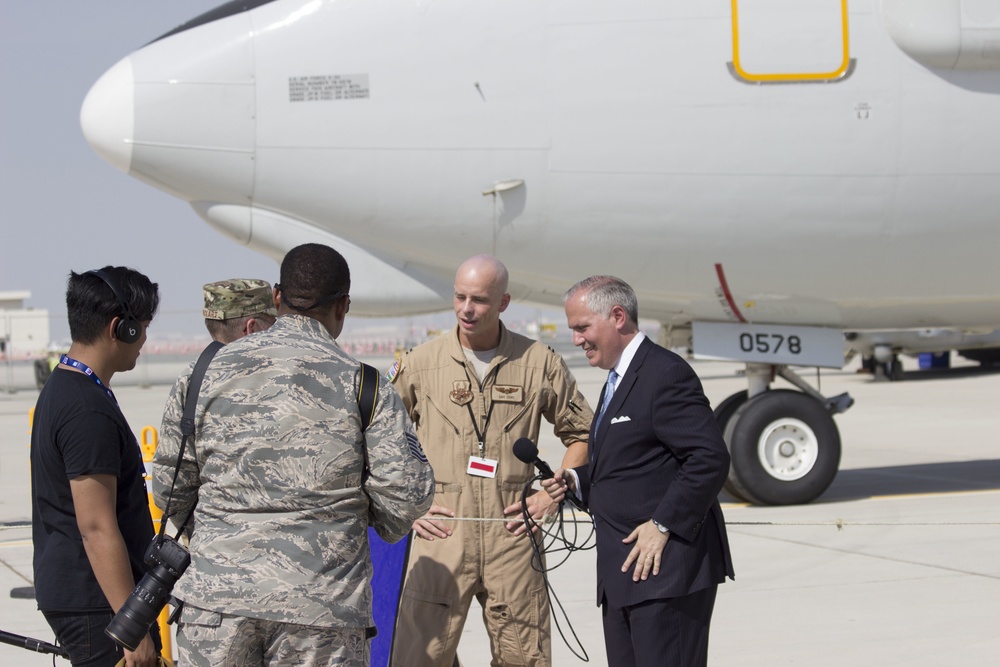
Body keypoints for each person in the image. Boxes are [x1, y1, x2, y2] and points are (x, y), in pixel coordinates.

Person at [152, 243, 434, 667]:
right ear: (344, 306)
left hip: (216, 606)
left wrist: (219, 532)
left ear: (278, 299)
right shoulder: (367, 388)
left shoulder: (202, 376)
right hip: (322, 611)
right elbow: (406, 494)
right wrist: (352, 523)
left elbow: (169, 490)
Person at [388, 254, 594, 667]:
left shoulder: (539, 363)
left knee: (525, 658)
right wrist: (409, 504)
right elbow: (382, 441)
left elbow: (584, 434)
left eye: (480, 300)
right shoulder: (419, 364)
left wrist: (553, 495)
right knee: (419, 657)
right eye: (460, 297)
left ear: (503, 302)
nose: (467, 309)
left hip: (514, 535)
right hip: (441, 535)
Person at [543, 275, 735, 667]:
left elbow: (709, 458)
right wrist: (574, 481)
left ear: (617, 316)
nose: (577, 340)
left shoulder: (664, 373)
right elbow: (626, 465)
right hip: (625, 578)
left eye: (582, 328)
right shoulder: (617, 379)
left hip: (667, 576)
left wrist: (662, 524)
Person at [31, 266, 161, 667]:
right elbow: (96, 527)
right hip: (100, 607)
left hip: (90, 599)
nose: (144, 340)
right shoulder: (87, 410)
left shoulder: (67, 386)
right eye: (142, 327)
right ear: (120, 329)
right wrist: (131, 626)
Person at [155, 278, 277, 535]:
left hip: (217, 559)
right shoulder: (281, 376)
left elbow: (170, 486)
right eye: (272, 324)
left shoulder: (192, 380)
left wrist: (213, 536)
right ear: (252, 328)